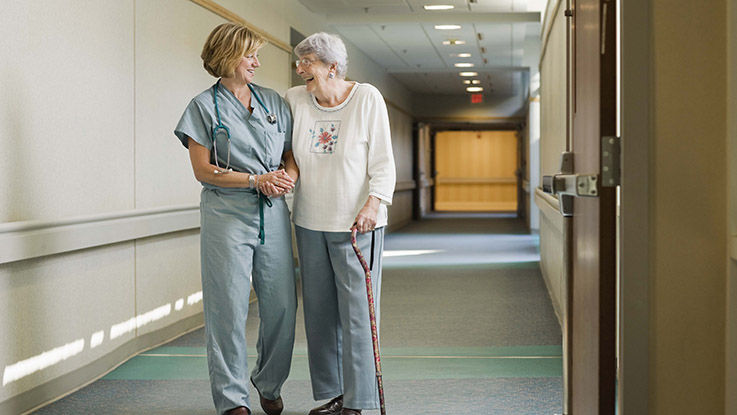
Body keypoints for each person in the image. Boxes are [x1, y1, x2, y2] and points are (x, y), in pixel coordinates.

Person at [174, 22, 298, 415]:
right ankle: (232, 400)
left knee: (282, 308)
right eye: (250, 56)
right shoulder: (202, 107)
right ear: (228, 56)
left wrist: (287, 178)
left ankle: (268, 380)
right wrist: (254, 180)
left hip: (273, 216)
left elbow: (291, 154)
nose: (257, 63)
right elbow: (202, 169)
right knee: (227, 309)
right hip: (226, 217)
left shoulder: (273, 102)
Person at [285, 32, 396, 415]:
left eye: (308, 62)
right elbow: (289, 155)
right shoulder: (295, 100)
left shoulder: (367, 98)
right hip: (310, 221)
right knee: (318, 315)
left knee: (358, 316)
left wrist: (373, 203)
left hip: (358, 225)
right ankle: (334, 395)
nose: (300, 70)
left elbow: (383, 162)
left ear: (332, 66)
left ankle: (359, 400)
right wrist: (288, 177)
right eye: (299, 63)